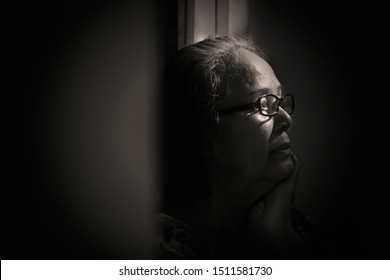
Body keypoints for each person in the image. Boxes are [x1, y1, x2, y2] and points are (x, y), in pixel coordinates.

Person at [155, 36, 331, 259]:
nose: (286, 120)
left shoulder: (301, 229)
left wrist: (282, 241)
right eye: (263, 103)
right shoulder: (159, 251)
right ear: (204, 129)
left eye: (279, 100)